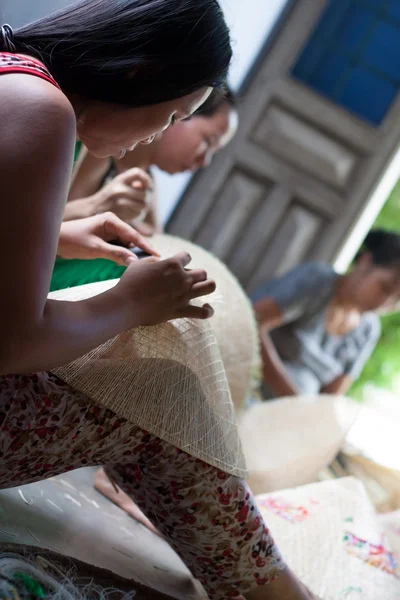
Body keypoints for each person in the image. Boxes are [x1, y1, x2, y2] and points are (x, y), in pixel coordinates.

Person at [0, 2, 317, 599]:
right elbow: (11, 340)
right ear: (138, 73)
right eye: (174, 115)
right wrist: (130, 306)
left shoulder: (12, 76)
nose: (159, 133)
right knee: (159, 390)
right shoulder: (43, 111)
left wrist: (60, 233)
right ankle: (268, 588)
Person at [253, 229, 400, 401]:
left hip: (287, 416)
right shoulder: (318, 282)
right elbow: (251, 324)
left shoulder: (368, 330)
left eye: (397, 301)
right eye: (385, 288)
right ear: (365, 262)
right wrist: (294, 399)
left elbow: (331, 397)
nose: (385, 303)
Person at [64, 88, 238, 232]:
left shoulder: (145, 182)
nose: (204, 161)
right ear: (183, 114)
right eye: (208, 141)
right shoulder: (99, 146)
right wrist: (97, 207)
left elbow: (155, 239)